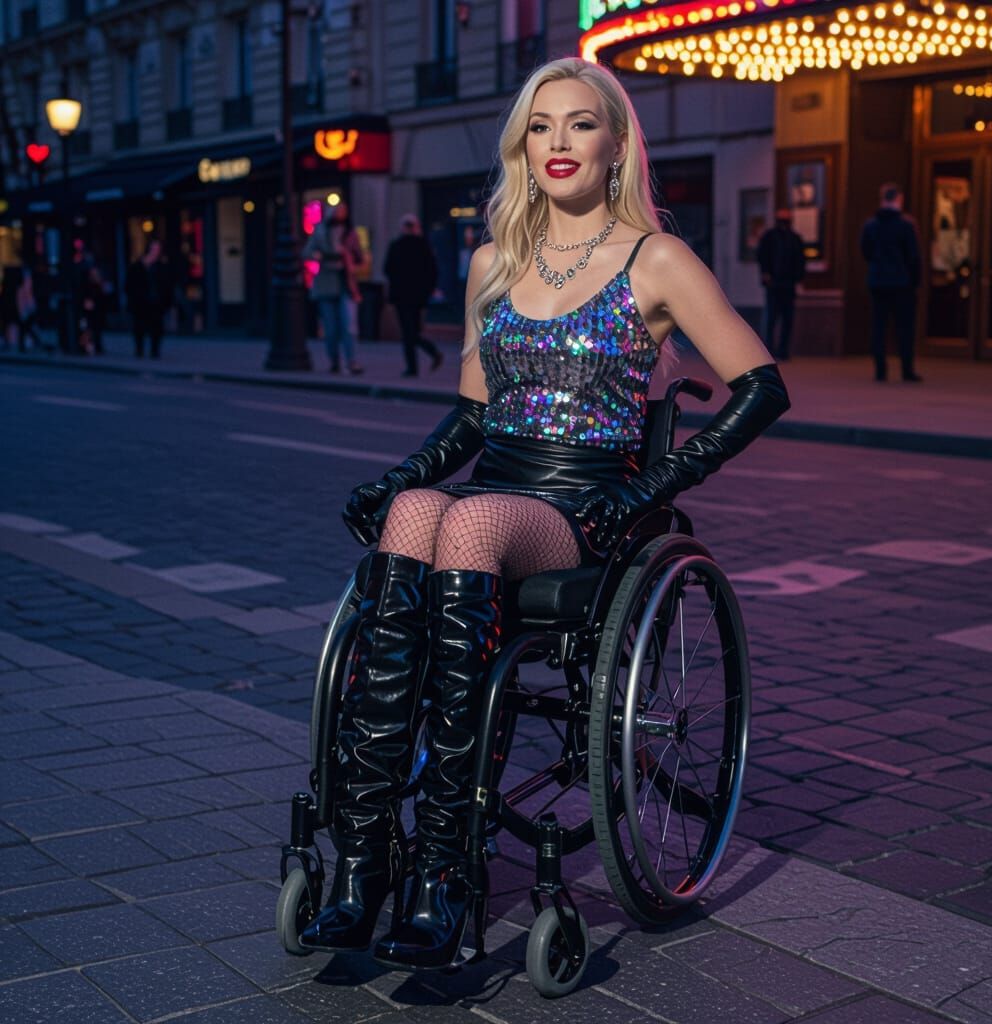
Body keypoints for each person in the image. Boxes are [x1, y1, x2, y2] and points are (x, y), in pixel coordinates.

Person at [299, 57, 790, 968]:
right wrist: (399, 475)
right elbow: (473, 416)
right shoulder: (494, 261)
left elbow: (762, 388)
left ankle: (447, 865)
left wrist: (649, 488)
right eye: (540, 125)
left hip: (583, 504)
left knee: (466, 523)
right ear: (522, 148)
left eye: (580, 124)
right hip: (496, 482)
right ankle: (366, 861)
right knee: (414, 512)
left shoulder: (655, 259)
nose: (559, 142)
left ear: (616, 146)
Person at [860, 183, 923, 383]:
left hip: (878, 281)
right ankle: (907, 369)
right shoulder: (906, 225)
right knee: (904, 327)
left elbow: (866, 251)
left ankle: (880, 369)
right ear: (898, 199)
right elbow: (913, 256)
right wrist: (915, 280)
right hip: (901, 282)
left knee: (879, 326)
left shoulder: (871, 225)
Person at [303, 200, 365, 375]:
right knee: (330, 328)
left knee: (349, 325)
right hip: (326, 282)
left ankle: (351, 361)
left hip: (346, 283)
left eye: (343, 211)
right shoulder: (320, 231)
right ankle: (334, 361)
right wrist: (318, 255)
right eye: (337, 211)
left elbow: (360, 257)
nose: (340, 214)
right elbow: (306, 252)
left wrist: (350, 261)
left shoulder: (350, 233)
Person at [384, 213, 442, 377]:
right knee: (412, 331)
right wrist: (428, 290)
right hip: (417, 295)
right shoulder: (423, 246)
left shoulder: (397, 245)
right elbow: (432, 271)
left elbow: (387, 269)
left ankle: (417, 364)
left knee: (409, 331)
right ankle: (426, 357)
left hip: (403, 295)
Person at [755, 208, 805, 361]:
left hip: (788, 283)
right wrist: (765, 273)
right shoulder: (770, 237)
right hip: (774, 283)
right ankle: (769, 349)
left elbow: (800, 259)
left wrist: (798, 278)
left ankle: (783, 350)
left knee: (787, 319)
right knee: (771, 317)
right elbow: (762, 256)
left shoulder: (794, 238)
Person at [125, 239, 173, 359]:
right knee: (139, 327)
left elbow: (167, 285)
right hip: (140, 303)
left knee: (157, 328)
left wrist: (166, 301)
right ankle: (139, 349)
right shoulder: (137, 266)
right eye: (153, 249)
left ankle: (154, 350)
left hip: (156, 303)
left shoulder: (161, 267)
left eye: (158, 249)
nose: (155, 252)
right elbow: (129, 285)